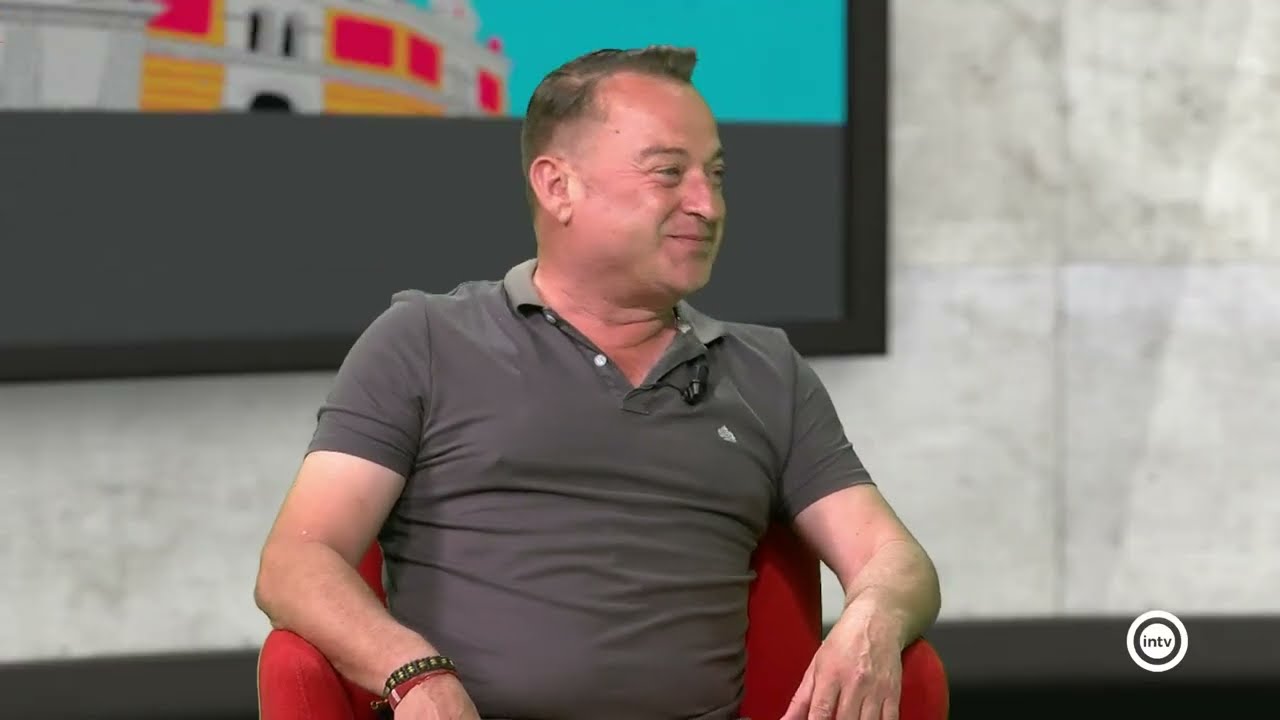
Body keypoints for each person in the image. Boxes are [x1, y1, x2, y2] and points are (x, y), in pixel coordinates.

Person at [254, 46, 940, 720]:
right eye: (668, 173)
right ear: (558, 187)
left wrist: (873, 616)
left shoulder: (767, 370)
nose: (707, 204)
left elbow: (893, 556)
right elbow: (297, 561)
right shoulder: (425, 340)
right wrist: (415, 674)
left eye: (716, 174)